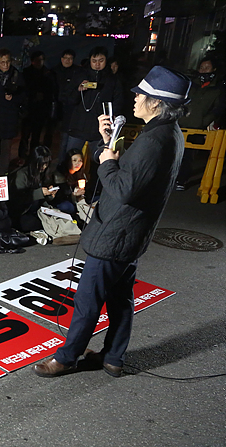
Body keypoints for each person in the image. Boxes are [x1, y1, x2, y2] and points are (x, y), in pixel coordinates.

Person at [33, 66, 191, 378]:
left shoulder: (155, 140)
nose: (135, 99)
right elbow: (135, 175)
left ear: (157, 103)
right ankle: (113, 356)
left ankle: (67, 357)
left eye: (141, 95)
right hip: (132, 234)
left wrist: (106, 163)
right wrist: (110, 141)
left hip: (117, 233)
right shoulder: (167, 133)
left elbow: (122, 187)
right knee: (120, 298)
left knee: (88, 300)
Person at [61, 47, 124, 159]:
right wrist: (78, 90)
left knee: (99, 160)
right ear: (89, 60)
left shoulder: (112, 79)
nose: (97, 64)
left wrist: (112, 117)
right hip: (78, 126)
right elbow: (68, 99)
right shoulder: (80, 75)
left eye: (101, 60)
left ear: (106, 60)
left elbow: (118, 101)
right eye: (94, 61)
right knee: (71, 159)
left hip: (99, 130)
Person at [176, 57, 223, 190]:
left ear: (214, 69)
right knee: (175, 152)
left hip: (198, 126)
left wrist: (204, 121)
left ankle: (182, 179)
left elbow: (217, 108)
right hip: (181, 122)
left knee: (189, 155)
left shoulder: (217, 89)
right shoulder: (191, 84)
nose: (203, 70)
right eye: (201, 68)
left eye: (207, 68)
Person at [9, 145, 60, 232]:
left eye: (46, 164)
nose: (44, 167)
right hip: (22, 212)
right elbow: (17, 199)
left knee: (64, 210)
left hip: (38, 209)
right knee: (31, 224)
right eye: (41, 163)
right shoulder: (22, 175)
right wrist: (40, 193)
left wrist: (50, 194)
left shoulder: (44, 174)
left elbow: (42, 200)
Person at [19, 50, 56, 158]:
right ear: (32, 61)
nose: (40, 62)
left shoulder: (47, 73)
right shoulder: (26, 73)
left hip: (41, 110)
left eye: (42, 60)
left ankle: (32, 156)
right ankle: (22, 156)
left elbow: (51, 90)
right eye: (37, 60)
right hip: (28, 109)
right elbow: (23, 90)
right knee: (25, 135)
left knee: (36, 135)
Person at [52, 49, 82, 160]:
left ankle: (63, 163)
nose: (67, 60)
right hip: (56, 108)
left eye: (70, 58)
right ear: (61, 59)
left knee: (65, 139)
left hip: (70, 110)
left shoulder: (77, 72)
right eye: (66, 58)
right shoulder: (54, 71)